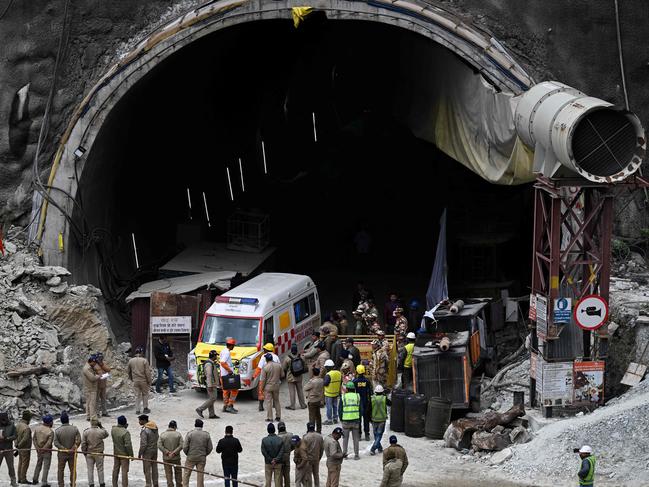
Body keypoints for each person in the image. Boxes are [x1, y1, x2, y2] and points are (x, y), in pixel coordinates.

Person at [183, 419, 213, 487]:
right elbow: (210, 448)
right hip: (201, 457)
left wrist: (188, 454)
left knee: (186, 474)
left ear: (195, 425)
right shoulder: (206, 435)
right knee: (200, 476)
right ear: (202, 426)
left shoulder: (190, 434)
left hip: (191, 457)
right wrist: (204, 454)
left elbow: (185, 447)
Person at [54, 411, 81, 487]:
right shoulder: (74, 429)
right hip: (72, 453)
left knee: (60, 470)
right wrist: (74, 447)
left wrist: (64, 448)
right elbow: (79, 440)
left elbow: (56, 443)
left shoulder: (57, 431)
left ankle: (61, 484)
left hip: (62, 453)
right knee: (73, 470)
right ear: (68, 419)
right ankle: (73, 484)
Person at [81, 417, 109, 487]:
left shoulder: (86, 432)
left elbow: (83, 444)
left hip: (89, 453)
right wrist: (101, 426)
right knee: (100, 469)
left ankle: (91, 484)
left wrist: (84, 452)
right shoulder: (101, 431)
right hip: (99, 453)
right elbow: (106, 434)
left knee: (90, 470)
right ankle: (102, 483)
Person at [252, 344, 280, 412]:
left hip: (264, 377)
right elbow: (279, 367)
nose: (263, 350)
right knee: (274, 390)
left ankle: (261, 406)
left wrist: (254, 376)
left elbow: (259, 368)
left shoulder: (263, 356)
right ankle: (274, 404)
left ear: (267, 350)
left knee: (261, 391)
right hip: (273, 377)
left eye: (264, 349)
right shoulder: (276, 357)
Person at [196, 350, 220, 419]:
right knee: (213, 398)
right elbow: (209, 375)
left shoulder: (211, 363)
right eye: (216, 355)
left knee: (211, 398)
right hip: (211, 384)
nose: (217, 357)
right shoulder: (209, 364)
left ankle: (211, 414)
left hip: (211, 383)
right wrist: (210, 385)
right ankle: (200, 409)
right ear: (214, 356)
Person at [339, 382, 361, 460]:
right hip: (355, 420)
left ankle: (345, 455)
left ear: (347, 389)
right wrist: (359, 418)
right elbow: (360, 409)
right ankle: (356, 455)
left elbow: (340, 409)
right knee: (356, 439)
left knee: (345, 439)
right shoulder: (357, 396)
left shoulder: (343, 397)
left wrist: (341, 419)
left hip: (346, 420)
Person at [127, 345, 152, 415]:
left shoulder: (131, 361)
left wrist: (131, 378)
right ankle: (145, 408)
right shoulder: (144, 360)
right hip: (143, 380)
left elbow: (128, 371)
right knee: (145, 394)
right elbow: (147, 372)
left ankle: (137, 410)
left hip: (135, 380)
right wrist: (149, 381)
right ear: (141, 352)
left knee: (137, 395)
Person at [158, 420, 183, 487]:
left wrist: (167, 452)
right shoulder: (178, 434)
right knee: (178, 472)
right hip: (176, 457)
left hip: (166, 458)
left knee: (168, 473)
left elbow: (159, 445)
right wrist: (174, 453)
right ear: (175, 427)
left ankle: (170, 485)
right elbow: (181, 445)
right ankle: (179, 485)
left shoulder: (163, 434)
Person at [283, 344, 308, 410]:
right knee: (300, 390)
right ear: (297, 350)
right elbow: (304, 366)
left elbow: (284, 368)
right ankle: (303, 405)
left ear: (291, 350)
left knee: (292, 391)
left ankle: (292, 406)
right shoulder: (301, 357)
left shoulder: (287, 358)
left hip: (290, 377)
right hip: (299, 376)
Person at [260, 353, 284, 422]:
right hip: (276, 385)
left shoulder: (265, 367)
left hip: (268, 387)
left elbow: (263, 379)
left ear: (266, 359)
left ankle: (270, 418)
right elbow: (282, 375)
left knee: (269, 402)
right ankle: (278, 416)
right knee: (277, 401)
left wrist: (261, 388)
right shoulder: (278, 365)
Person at [32, 415, 54, 487]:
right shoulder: (50, 431)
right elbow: (49, 443)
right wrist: (43, 449)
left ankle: (35, 479)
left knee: (38, 464)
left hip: (39, 450)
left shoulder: (37, 429)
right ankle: (44, 482)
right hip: (46, 451)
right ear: (49, 422)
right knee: (46, 467)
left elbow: (34, 439)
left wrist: (37, 448)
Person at [111, 415, 133, 487]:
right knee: (124, 472)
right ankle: (124, 485)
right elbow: (128, 445)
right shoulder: (125, 432)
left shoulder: (113, 430)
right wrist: (131, 455)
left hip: (116, 453)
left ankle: (114, 484)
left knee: (115, 469)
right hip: (124, 455)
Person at [138, 414, 159, 487]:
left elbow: (143, 444)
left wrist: (140, 453)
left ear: (144, 420)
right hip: (155, 450)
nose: (139, 422)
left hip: (147, 452)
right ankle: (155, 483)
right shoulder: (155, 427)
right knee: (154, 468)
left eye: (140, 420)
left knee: (147, 469)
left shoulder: (145, 430)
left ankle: (148, 484)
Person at [260, 423, 284, 487]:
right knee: (277, 480)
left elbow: (264, 452)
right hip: (278, 463)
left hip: (268, 462)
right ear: (274, 430)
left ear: (268, 430)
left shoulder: (264, 440)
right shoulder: (280, 439)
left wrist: (271, 460)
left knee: (268, 480)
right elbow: (281, 451)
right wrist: (275, 460)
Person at [353, 365, 372, 441]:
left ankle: (359, 435)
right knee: (366, 419)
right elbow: (370, 392)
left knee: (358, 420)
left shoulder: (354, 381)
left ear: (357, 371)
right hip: (365, 402)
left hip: (358, 402)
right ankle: (367, 434)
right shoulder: (367, 381)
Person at [220, 338, 239, 414]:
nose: (234, 347)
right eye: (233, 345)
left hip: (224, 375)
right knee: (234, 390)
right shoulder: (227, 352)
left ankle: (225, 406)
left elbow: (225, 363)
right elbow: (223, 363)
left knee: (225, 391)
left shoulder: (223, 351)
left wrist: (233, 365)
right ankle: (229, 405)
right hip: (227, 375)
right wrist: (230, 371)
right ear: (231, 345)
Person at [303, 367, 324, 433]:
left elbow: (305, 388)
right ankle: (319, 430)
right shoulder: (321, 380)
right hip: (318, 400)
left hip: (312, 400)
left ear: (313, 373)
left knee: (312, 417)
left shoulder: (312, 381)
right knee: (318, 416)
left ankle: (311, 430)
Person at [15, 410, 33, 485]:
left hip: (19, 447)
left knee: (20, 463)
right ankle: (23, 479)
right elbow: (25, 439)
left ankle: (19, 478)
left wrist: (16, 445)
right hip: (25, 448)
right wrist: (19, 446)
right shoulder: (27, 428)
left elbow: (15, 436)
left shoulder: (18, 425)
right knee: (25, 464)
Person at [83, 355, 103, 421]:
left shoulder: (89, 367)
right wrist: (98, 376)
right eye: (94, 363)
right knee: (92, 403)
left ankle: (88, 416)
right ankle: (92, 417)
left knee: (89, 402)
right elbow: (92, 378)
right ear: (91, 362)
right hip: (91, 388)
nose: (95, 364)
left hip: (90, 388)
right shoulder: (87, 369)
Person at [0, 411, 17, 487]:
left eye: (5, 419)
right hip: (0, 450)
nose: (3, 421)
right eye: (2, 419)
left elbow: (15, 436)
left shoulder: (12, 425)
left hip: (9, 449)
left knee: (11, 467)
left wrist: (7, 438)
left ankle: (13, 481)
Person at [370, 385, 388, 455]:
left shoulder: (372, 398)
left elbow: (369, 409)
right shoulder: (384, 398)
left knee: (376, 434)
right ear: (382, 392)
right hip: (382, 419)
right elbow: (391, 403)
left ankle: (379, 448)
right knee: (379, 434)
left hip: (374, 419)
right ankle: (373, 448)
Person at [322, 360, 341, 425]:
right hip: (336, 392)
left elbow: (325, 383)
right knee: (335, 406)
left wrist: (322, 381)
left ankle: (329, 420)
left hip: (329, 393)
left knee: (329, 407)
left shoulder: (328, 374)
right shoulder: (338, 373)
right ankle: (335, 418)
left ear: (328, 367)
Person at [277, 422, 294, 487]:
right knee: (287, 476)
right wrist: (289, 451)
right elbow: (293, 446)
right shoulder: (290, 435)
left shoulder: (277, 437)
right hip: (287, 457)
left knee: (279, 477)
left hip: (279, 459)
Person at [94, 352, 111, 417]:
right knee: (97, 400)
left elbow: (108, 369)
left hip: (103, 384)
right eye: (99, 358)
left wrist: (102, 365)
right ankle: (97, 413)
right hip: (97, 385)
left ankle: (104, 412)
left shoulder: (103, 364)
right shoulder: (94, 365)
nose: (100, 359)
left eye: (101, 358)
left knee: (104, 399)